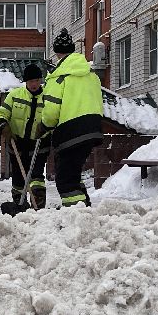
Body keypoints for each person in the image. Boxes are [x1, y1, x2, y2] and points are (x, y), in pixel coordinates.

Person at [39, 29, 104, 207]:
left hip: (71, 130)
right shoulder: (90, 75)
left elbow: (51, 111)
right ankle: (84, 206)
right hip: (94, 126)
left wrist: (44, 126)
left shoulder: (58, 76)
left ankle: (76, 211)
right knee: (73, 172)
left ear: (56, 52)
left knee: (65, 178)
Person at [0, 63, 48, 208]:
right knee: (18, 176)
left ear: (40, 80)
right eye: (31, 81)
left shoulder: (47, 98)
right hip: (17, 142)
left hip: (39, 144)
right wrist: (3, 126)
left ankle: (38, 205)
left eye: (36, 80)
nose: (34, 84)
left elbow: (53, 117)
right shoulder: (15, 95)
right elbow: (1, 113)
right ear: (25, 82)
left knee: (36, 176)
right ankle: (19, 204)